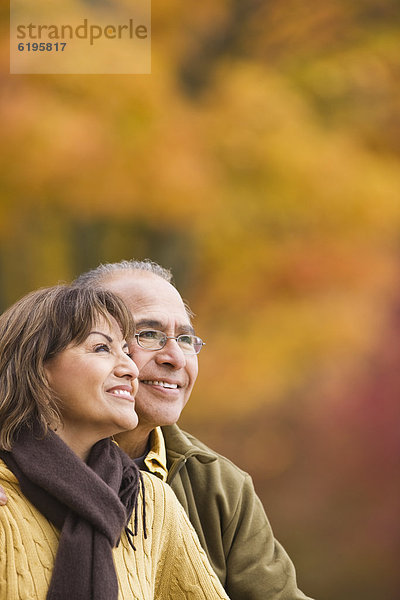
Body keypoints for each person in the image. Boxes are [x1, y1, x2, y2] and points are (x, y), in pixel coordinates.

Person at [72, 259, 313, 600]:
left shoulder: (219, 485)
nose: (176, 358)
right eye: (149, 334)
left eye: (185, 339)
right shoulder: (13, 466)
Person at [0, 285, 230, 600]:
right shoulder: (5, 499)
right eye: (101, 348)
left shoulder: (151, 502)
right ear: (37, 368)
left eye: (124, 349)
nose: (130, 368)